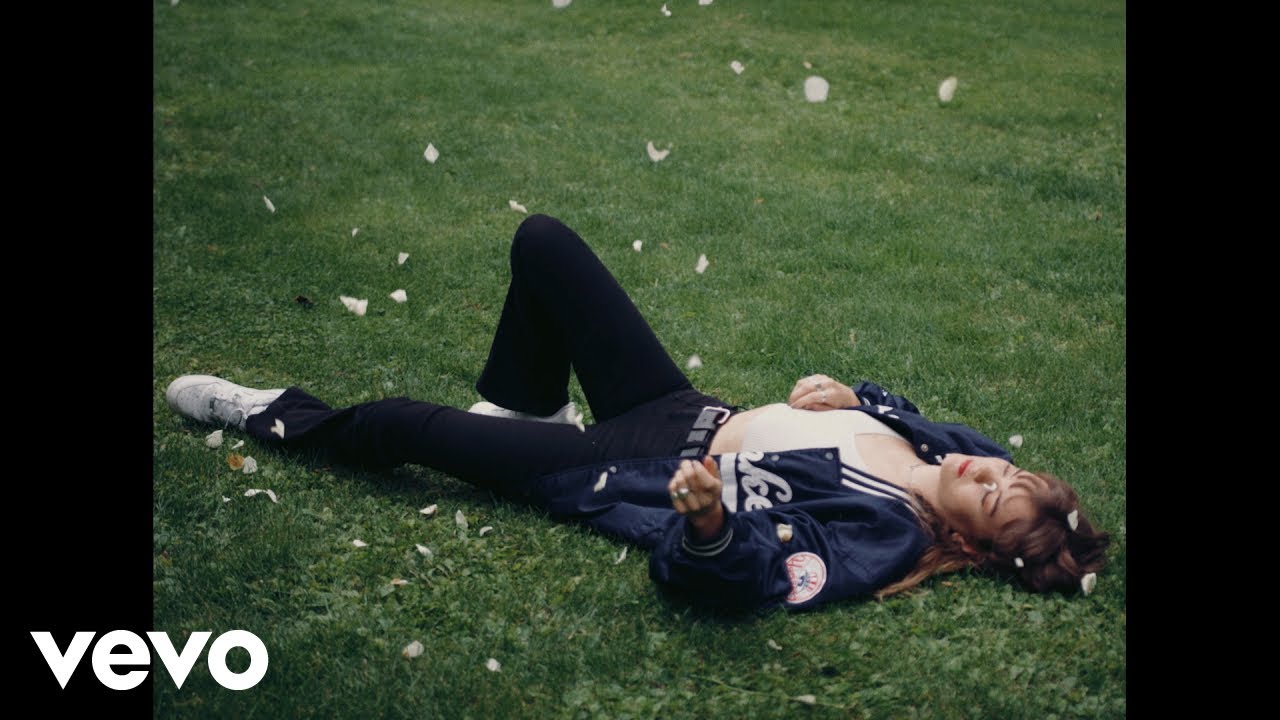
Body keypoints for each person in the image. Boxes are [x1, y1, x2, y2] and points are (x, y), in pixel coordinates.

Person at [164, 214, 1109, 611]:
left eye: (992, 496)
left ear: (967, 541)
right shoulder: (957, 455)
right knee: (543, 243)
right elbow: (921, 426)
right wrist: (854, 399)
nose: (988, 470)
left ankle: (269, 414)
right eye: (1009, 473)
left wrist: (706, 522)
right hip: (679, 406)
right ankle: (521, 411)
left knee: (402, 425)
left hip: (622, 465)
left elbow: (751, 577)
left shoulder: (882, 539)